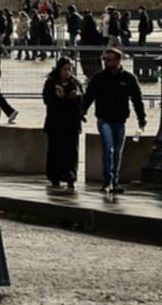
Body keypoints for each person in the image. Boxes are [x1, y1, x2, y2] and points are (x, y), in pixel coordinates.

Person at [81, 47, 147, 194]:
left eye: (109, 60)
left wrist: (141, 118)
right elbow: (88, 96)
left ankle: (115, 182)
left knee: (117, 152)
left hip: (120, 120)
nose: (106, 62)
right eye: (104, 59)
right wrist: (82, 111)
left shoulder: (128, 78)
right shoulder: (98, 78)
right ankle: (107, 181)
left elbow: (137, 99)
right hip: (104, 120)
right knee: (108, 148)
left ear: (118, 61)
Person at [42, 57, 84, 191]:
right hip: (55, 122)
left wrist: (76, 96)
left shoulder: (75, 83)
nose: (67, 72)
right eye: (65, 69)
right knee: (55, 150)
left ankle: (70, 175)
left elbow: (82, 100)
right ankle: (55, 176)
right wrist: (57, 96)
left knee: (71, 150)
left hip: (71, 123)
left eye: (69, 69)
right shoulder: (51, 83)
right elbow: (47, 99)